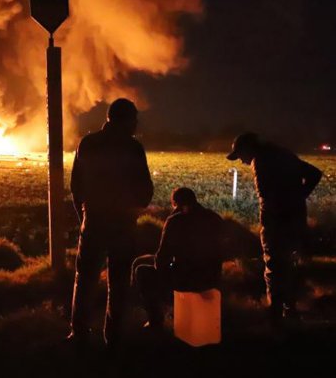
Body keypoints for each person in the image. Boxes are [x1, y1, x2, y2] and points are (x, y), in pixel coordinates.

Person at [68, 98, 154, 347]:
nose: (136, 125)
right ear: (125, 120)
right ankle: (114, 337)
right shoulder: (133, 148)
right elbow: (145, 188)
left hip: (94, 221)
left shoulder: (88, 143)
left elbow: (77, 186)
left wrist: (83, 216)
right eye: (134, 120)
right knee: (119, 281)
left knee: (84, 280)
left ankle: (79, 334)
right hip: (123, 224)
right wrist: (134, 212)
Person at [227, 132, 322, 324]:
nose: (242, 161)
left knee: (274, 266)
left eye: (241, 156)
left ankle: (275, 314)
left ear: (248, 149)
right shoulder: (282, 154)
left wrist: (272, 218)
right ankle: (291, 309)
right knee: (291, 263)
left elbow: (267, 198)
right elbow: (314, 173)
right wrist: (298, 197)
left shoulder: (260, 161)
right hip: (296, 220)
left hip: (277, 223)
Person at [133, 187, 223, 330]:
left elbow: (161, 260)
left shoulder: (176, 220)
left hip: (185, 279)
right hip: (211, 278)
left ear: (175, 204)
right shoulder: (215, 218)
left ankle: (156, 319)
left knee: (141, 269)